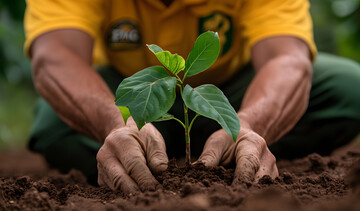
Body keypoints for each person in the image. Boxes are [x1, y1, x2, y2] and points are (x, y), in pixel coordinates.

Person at [24, 0, 360, 193]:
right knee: (55, 126)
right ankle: (132, 149)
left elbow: (285, 58)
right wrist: (117, 122)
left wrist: (249, 124)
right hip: (134, 94)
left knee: (348, 89)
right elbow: (56, 55)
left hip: (232, 93)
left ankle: (238, 149)